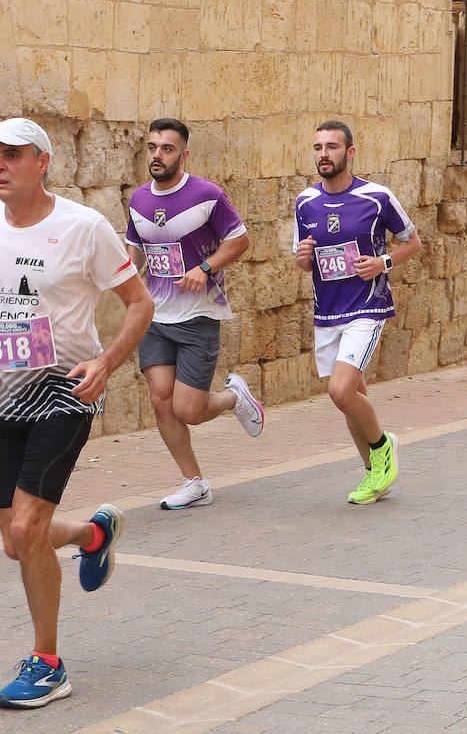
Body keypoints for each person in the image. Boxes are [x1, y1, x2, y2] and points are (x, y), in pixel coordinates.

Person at [0, 118, 154, 709]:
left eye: (10, 155)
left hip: (67, 391)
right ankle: (95, 533)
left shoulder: (84, 228)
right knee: (17, 542)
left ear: (42, 162)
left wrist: (105, 364)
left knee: (26, 529)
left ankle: (48, 663)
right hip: (6, 396)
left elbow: (139, 304)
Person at [126, 118, 264, 511]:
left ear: (183, 155)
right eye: (152, 147)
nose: (157, 155)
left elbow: (239, 240)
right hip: (155, 315)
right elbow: (135, 251)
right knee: (160, 400)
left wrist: (204, 269)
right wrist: (119, 274)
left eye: (167, 149)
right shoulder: (138, 199)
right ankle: (195, 482)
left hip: (198, 316)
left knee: (189, 409)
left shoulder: (207, 195)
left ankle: (233, 397)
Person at [293, 120, 422, 504]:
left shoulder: (377, 197)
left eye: (332, 147)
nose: (323, 154)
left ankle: (383, 447)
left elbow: (412, 243)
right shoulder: (304, 203)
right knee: (351, 396)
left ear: (349, 153)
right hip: (327, 312)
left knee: (340, 391)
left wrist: (383, 262)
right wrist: (303, 258)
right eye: (318, 148)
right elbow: (306, 260)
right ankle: (374, 474)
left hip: (367, 306)